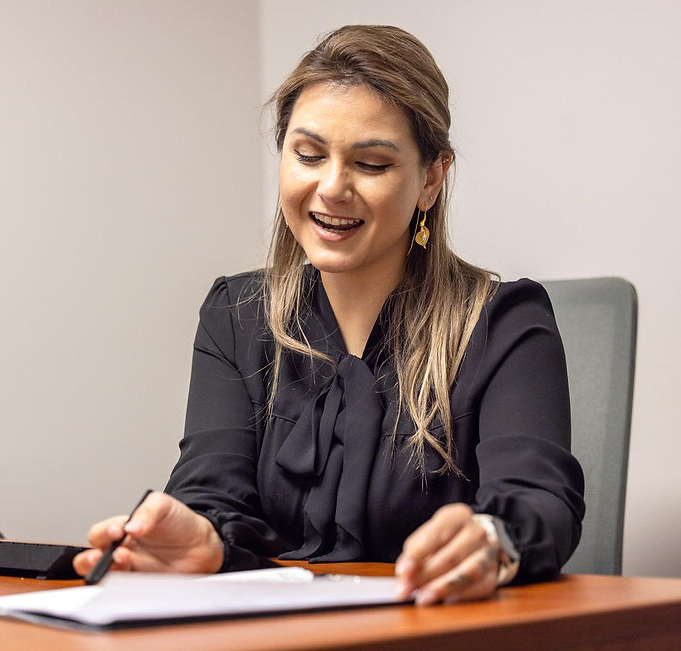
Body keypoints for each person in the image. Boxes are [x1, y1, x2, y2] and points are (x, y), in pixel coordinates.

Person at [73, 25, 585, 605]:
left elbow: (542, 502)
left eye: (370, 164)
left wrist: (492, 539)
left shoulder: (504, 320)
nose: (332, 187)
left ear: (431, 179)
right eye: (309, 155)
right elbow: (211, 491)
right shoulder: (236, 316)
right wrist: (204, 537)